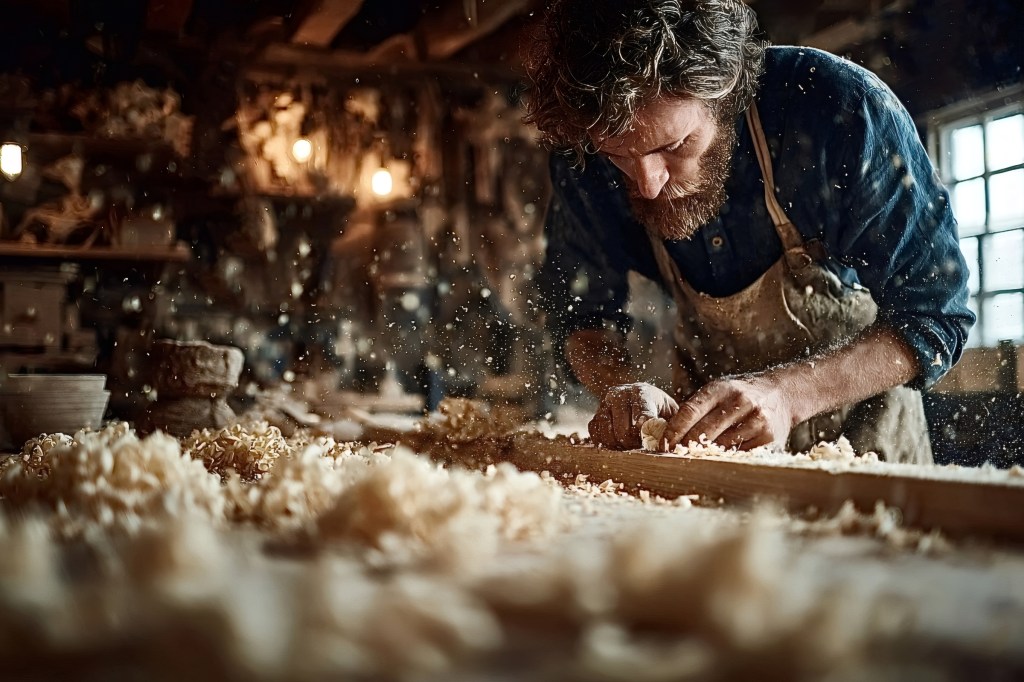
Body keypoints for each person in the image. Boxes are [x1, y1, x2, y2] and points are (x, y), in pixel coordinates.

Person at [524, 0, 975, 463]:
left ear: (728, 92)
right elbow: (582, 321)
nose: (648, 184)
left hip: (862, 457)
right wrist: (619, 386)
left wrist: (786, 395)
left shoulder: (837, 109)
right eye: (619, 155)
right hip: (712, 459)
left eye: (674, 145)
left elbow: (935, 316)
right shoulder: (584, 159)